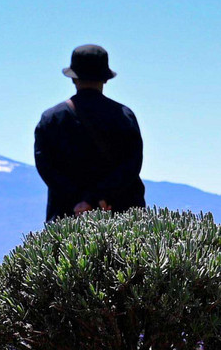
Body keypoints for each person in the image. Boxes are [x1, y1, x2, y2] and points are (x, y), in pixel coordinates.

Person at [33, 44, 146, 222]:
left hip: (67, 214)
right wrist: (99, 197)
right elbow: (132, 164)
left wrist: (80, 200)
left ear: (73, 78)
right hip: (121, 213)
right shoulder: (124, 115)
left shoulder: (52, 118)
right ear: (106, 79)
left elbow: (46, 167)